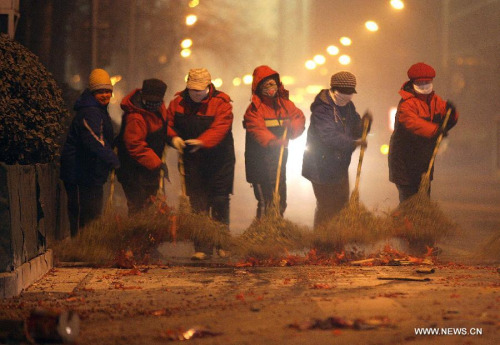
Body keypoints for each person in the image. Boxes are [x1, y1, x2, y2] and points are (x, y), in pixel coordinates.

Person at [166, 68, 235, 260]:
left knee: (220, 201)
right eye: (192, 90)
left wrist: (203, 141)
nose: (196, 94)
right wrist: (174, 139)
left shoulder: (221, 104)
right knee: (198, 203)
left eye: (199, 90)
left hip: (220, 160)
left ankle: (222, 243)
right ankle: (202, 247)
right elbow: (168, 124)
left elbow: (220, 128)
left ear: (208, 87)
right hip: (193, 161)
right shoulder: (177, 103)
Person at [302, 71, 371, 228]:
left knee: (341, 205)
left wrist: (365, 125)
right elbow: (328, 137)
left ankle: (336, 242)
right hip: (319, 166)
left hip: (339, 165)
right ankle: (321, 243)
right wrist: (353, 144)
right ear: (334, 90)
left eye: (350, 93)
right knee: (327, 207)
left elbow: (355, 130)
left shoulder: (348, 107)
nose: (347, 96)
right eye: (344, 93)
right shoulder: (322, 110)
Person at [60, 68, 120, 237]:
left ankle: (88, 245)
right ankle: (80, 247)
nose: (105, 95)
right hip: (79, 172)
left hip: (91, 172)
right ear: (93, 92)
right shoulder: (89, 112)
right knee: (82, 213)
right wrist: (113, 160)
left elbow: (103, 138)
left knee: (92, 213)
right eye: (100, 91)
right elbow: (94, 140)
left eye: (108, 91)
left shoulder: (98, 110)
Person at [389, 62, 458, 203]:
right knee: (409, 201)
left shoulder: (435, 100)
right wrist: (435, 131)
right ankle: (404, 223)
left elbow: (447, 119)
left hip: (424, 161)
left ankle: (421, 224)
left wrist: (452, 114)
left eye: (428, 82)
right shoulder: (406, 104)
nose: (425, 86)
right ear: (413, 83)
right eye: (421, 83)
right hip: (404, 162)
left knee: (424, 198)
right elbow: (413, 123)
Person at [243, 65, 305, 218]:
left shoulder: (285, 105)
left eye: (273, 83)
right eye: (266, 85)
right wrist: (273, 142)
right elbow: (256, 129)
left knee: (280, 198)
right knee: (265, 200)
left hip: (279, 158)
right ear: (258, 87)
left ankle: (277, 227)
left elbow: (299, 118)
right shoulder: (255, 109)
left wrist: (292, 129)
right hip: (258, 160)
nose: (270, 88)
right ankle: (262, 231)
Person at [115, 78, 169, 214]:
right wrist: (158, 163)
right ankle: (136, 234)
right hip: (133, 171)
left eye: (156, 102)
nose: (152, 105)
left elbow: (164, 127)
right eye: (149, 101)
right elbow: (135, 145)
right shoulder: (135, 117)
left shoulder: (159, 109)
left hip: (149, 170)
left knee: (151, 207)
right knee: (138, 209)